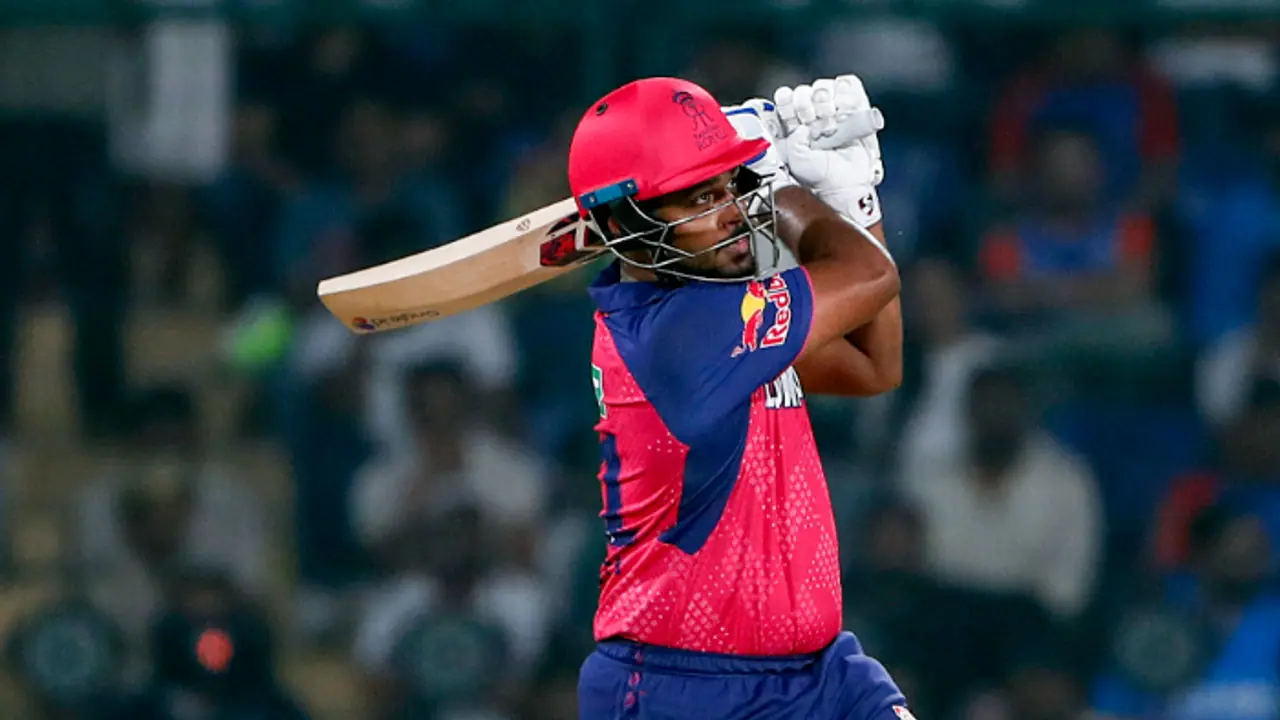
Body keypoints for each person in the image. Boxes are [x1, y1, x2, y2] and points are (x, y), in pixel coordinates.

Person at [570, 75, 911, 719]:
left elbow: (874, 366)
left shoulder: (722, 309)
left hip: (823, 676)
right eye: (702, 197)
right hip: (682, 687)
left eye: (732, 185)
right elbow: (869, 274)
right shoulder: (679, 335)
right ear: (622, 224)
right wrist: (782, 187)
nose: (732, 212)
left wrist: (854, 201)